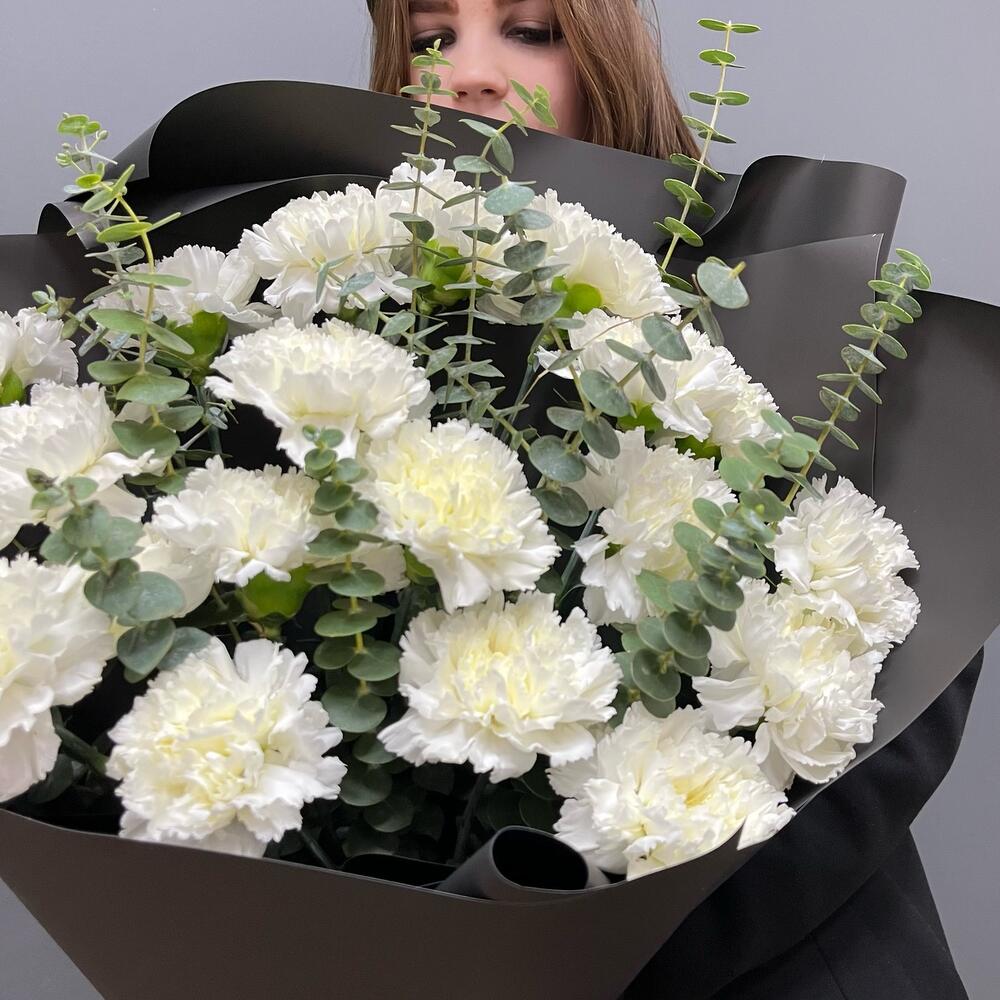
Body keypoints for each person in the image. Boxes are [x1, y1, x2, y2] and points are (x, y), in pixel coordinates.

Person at [364, 2, 984, 999]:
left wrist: (576, 954)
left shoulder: (786, 288)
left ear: (604, 50)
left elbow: (901, 704)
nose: (468, 72)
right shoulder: (354, 329)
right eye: (432, 38)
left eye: (528, 29)